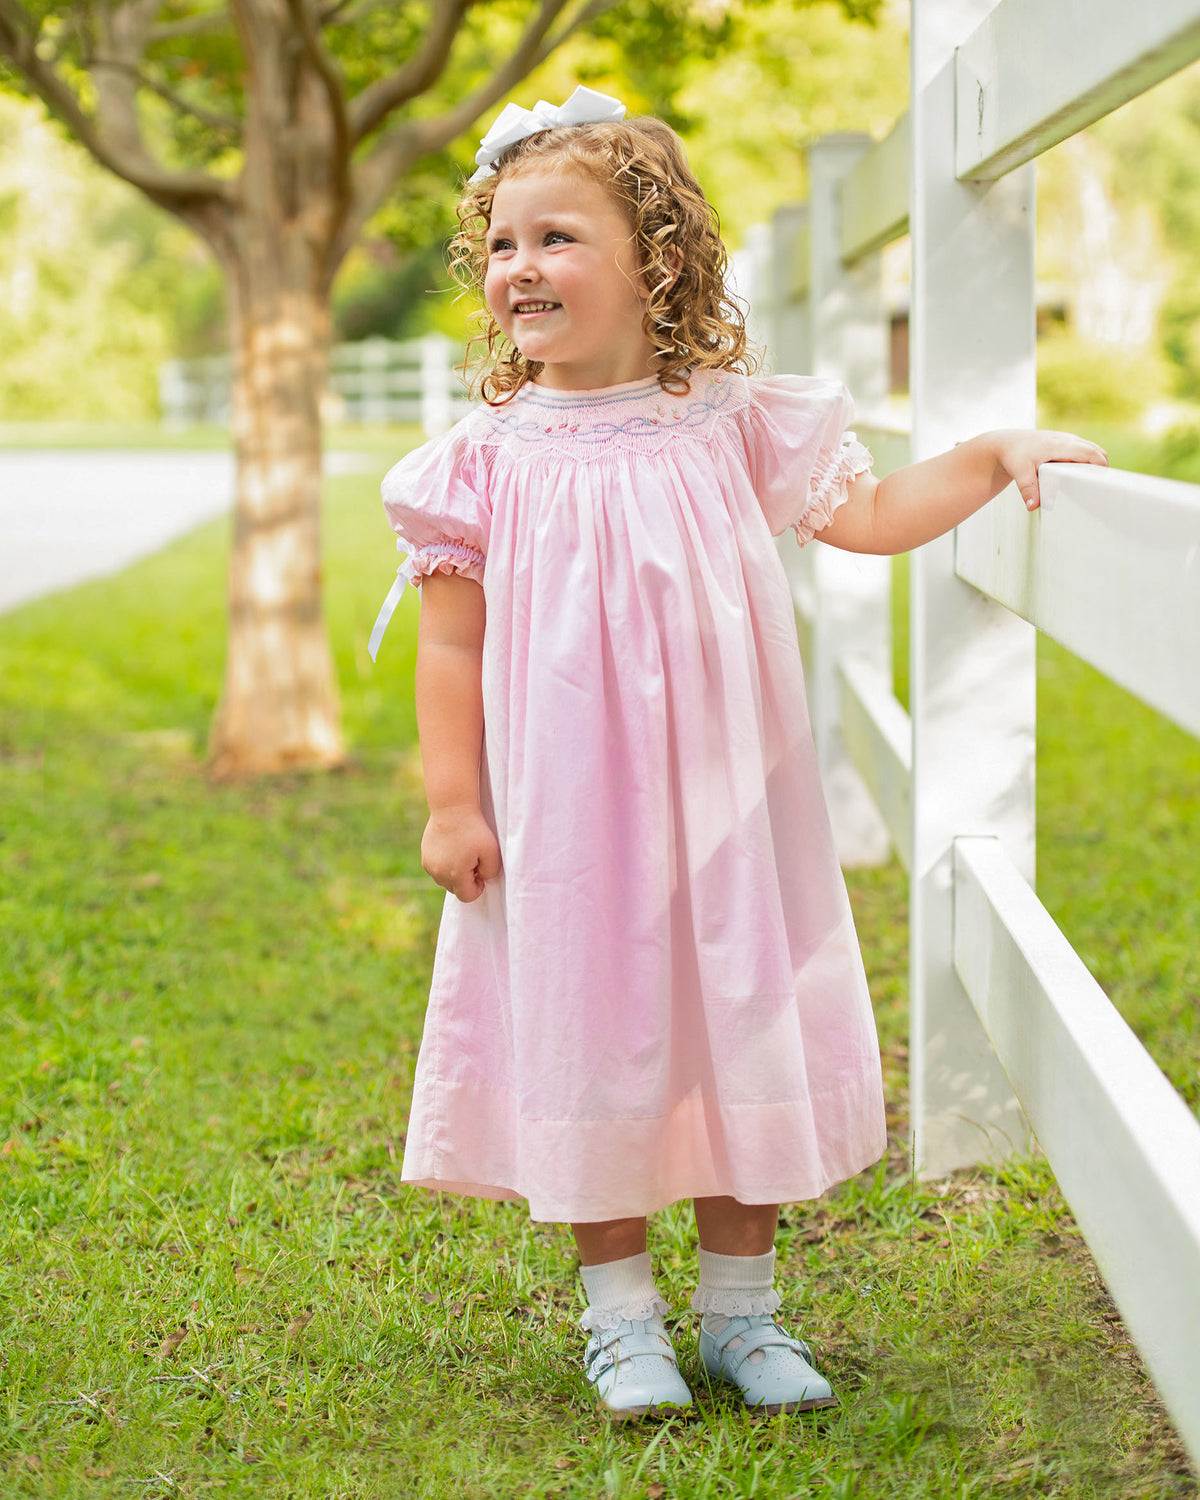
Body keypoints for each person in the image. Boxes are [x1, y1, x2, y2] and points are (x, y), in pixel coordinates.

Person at [368, 87, 1107, 1420]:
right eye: (503, 243)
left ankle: (745, 1314)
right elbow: (451, 648)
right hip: (565, 814)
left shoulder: (732, 421)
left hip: (729, 809)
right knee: (588, 1027)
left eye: (559, 239)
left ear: (655, 259)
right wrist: (454, 803)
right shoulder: (480, 462)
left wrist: (992, 453)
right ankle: (622, 1320)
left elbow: (874, 513)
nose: (521, 268)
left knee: (736, 1019)